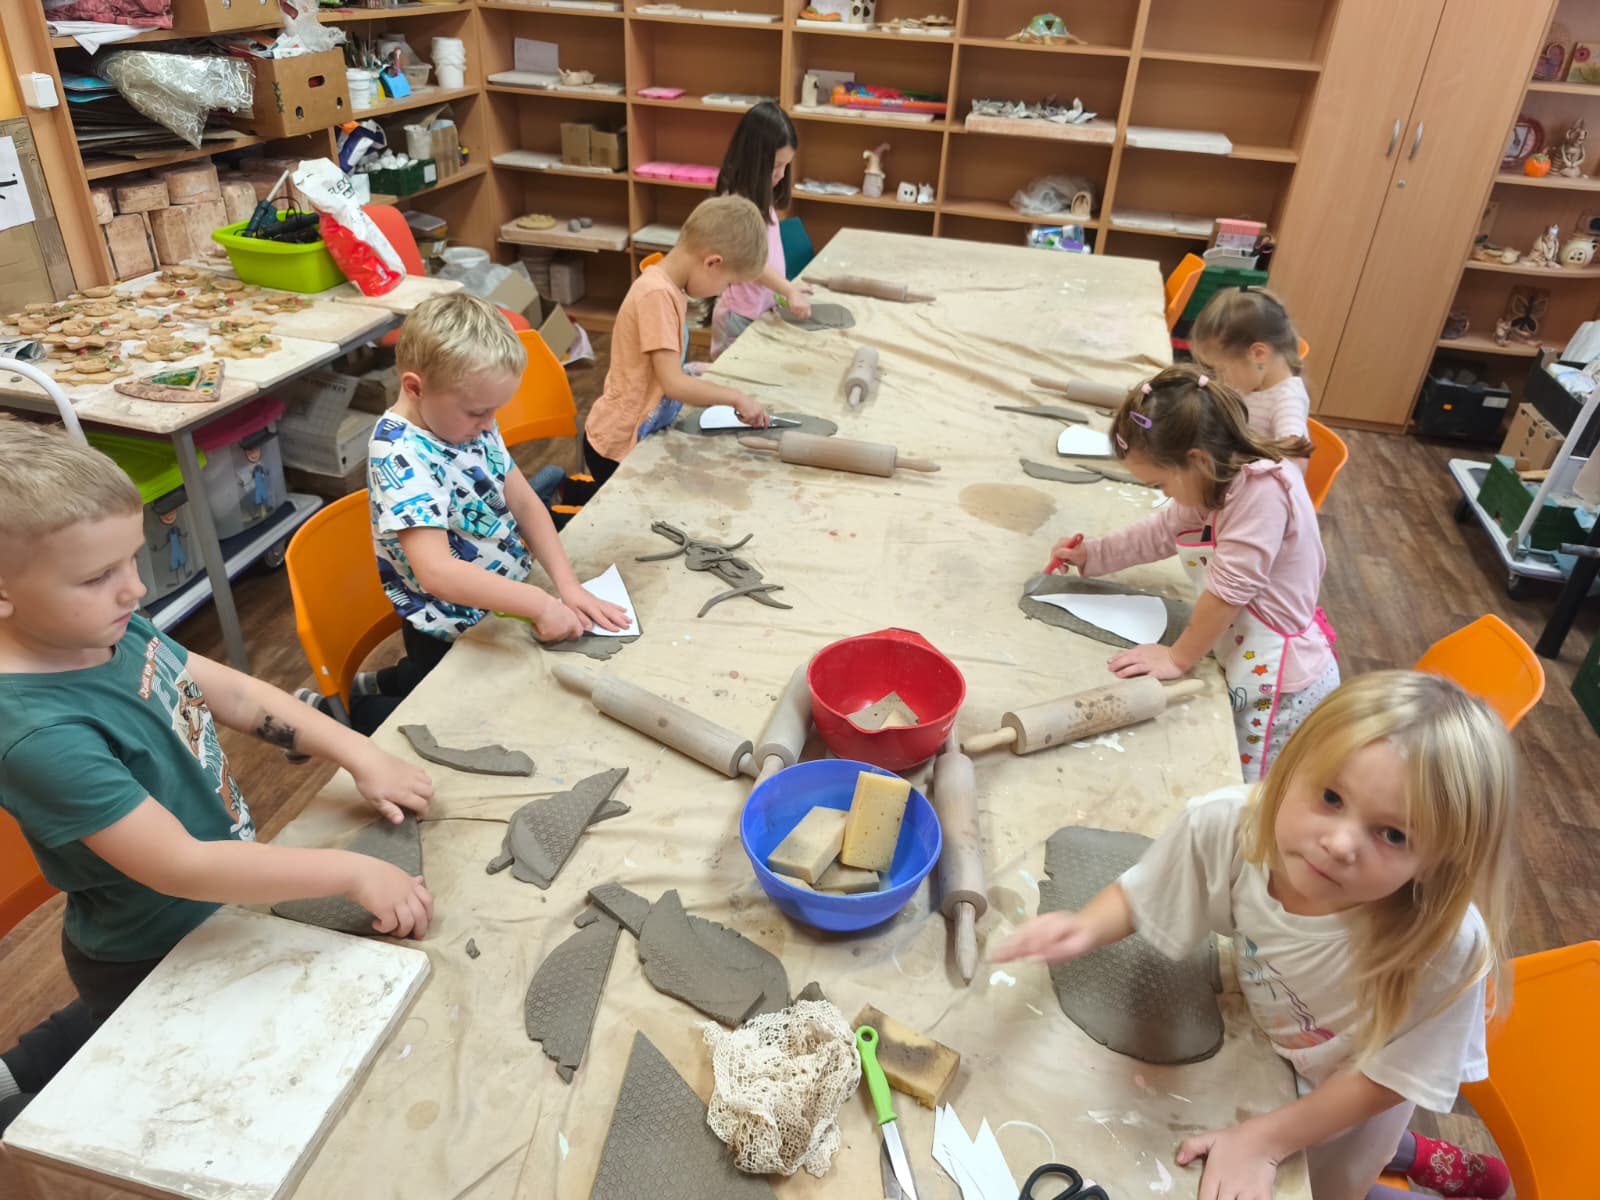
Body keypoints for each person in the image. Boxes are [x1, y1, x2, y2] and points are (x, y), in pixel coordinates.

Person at [0, 418, 436, 1134]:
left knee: (97, 1020)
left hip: (206, 911)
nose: (134, 589)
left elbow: (232, 693)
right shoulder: (40, 735)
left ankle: (18, 1066)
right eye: (98, 576)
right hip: (153, 947)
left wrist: (359, 752)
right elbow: (183, 866)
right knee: (160, 1095)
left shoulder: (104, 629)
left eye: (131, 559)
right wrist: (350, 872)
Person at [998, 671, 1518, 1200]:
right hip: (1284, 1046)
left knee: (1333, 1182)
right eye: (1332, 797)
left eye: (1393, 834)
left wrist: (1265, 1142)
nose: (1340, 844)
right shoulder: (1229, 824)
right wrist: (1085, 927)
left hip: (1352, 1099)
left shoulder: (1443, 942)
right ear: (1291, 767)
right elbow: (1147, 889)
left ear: (1439, 860)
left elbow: (1393, 1078)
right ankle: (1427, 1157)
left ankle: (1412, 1164)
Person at [345, 293, 630, 731]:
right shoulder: (401, 457)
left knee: (425, 682)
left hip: (498, 606)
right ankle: (344, 714)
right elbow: (437, 573)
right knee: (446, 723)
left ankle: (385, 681)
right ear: (415, 387)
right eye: (479, 412)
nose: (489, 424)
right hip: (447, 631)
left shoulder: (466, 422)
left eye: (494, 410)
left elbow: (524, 501)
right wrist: (540, 603)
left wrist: (567, 586)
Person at [1045, 365, 1332, 780]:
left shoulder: (1262, 493)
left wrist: (1176, 657)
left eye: (1160, 484)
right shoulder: (1215, 474)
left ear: (1195, 459)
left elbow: (1228, 594)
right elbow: (1160, 532)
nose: (1163, 495)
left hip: (1283, 687)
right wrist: (1092, 554)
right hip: (1245, 654)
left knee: (1250, 788)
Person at [581, 194, 773, 493]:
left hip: (639, 431)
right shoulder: (657, 295)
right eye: (728, 284)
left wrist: (696, 374)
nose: (723, 292)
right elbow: (673, 384)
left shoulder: (669, 288)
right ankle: (572, 496)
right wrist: (735, 397)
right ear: (712, 263)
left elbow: (659, 367)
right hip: (618, 445)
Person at [709, 100, 812, 357]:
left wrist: (785, 287)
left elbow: (768, 255)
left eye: (786, 165)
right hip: (738, 317)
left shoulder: (761, 195)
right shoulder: (735, 204)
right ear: (753, 159)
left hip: (758, 310)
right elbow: (750, 262)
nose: (781, 174)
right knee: (732, 375)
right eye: (776, 166)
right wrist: (786, 289)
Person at [1190, 285, 1311, 458]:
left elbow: (1296, 460)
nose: (1220, 379)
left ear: (1258, 354)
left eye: (1222, 370)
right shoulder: (1253, 382)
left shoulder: (1287, 401)